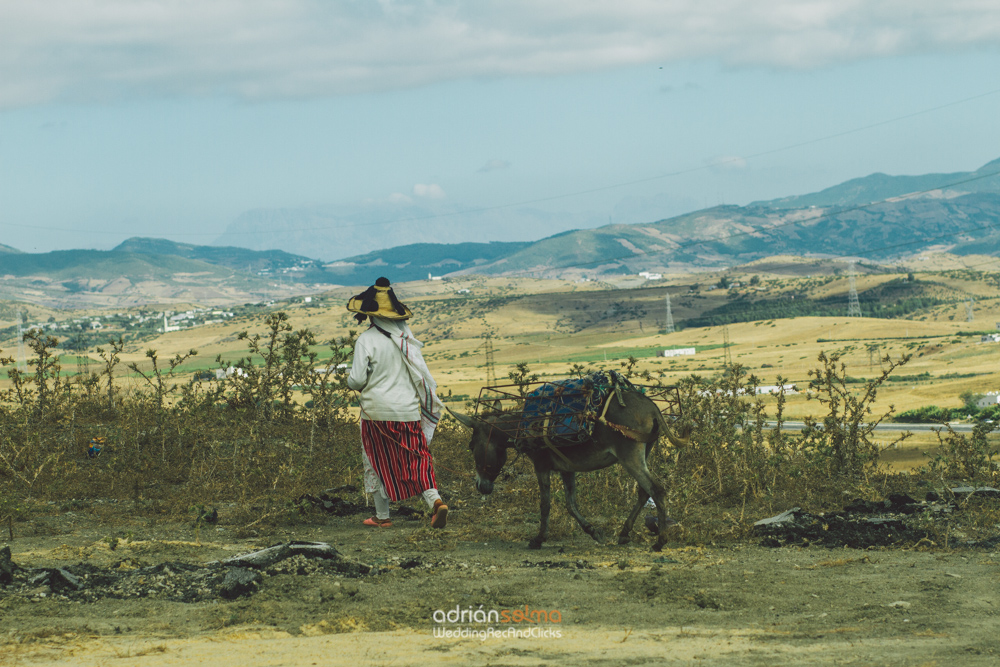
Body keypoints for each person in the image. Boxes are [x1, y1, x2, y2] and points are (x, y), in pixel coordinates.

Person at [346, 277, 448, 529]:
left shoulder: (366, 340)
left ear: (370, 315)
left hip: (376, 414)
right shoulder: (407, 343)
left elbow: (356, 380)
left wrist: (355, 381)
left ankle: (383, 517)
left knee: (377, 460)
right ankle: (435, 503)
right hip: (408, 412)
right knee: (416, 458)